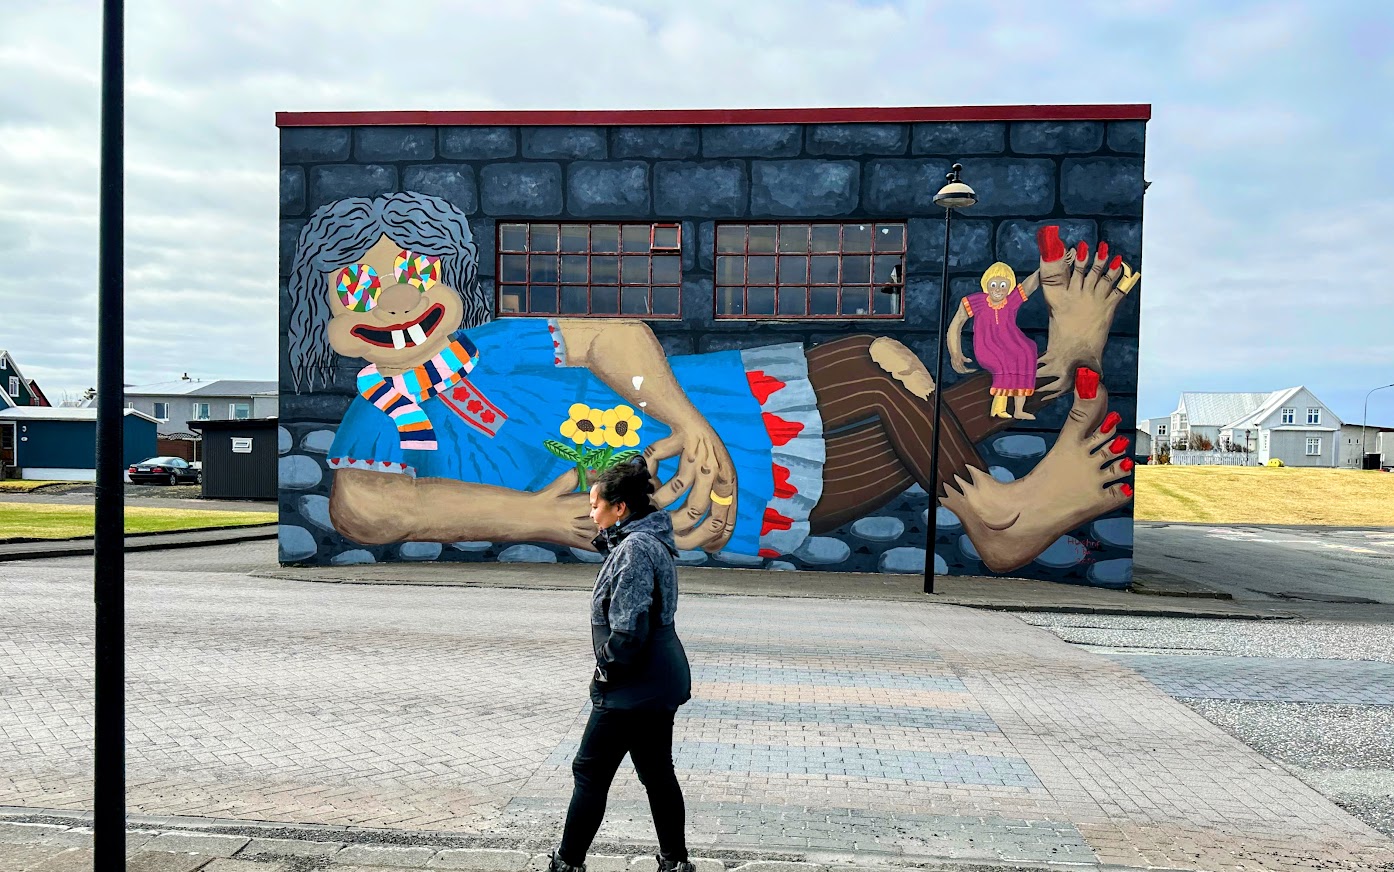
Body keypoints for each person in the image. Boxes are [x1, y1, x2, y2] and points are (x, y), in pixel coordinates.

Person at [549, 461, 694, 872]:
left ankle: (567, 864)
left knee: (589, 771)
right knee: (656, 772)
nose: (591, 512)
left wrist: (605, 675)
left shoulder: (635, 548)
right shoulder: (648, 541)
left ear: (619, 508)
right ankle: (675, 863)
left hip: (633, 682)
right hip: (656, 676)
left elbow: (629, 627)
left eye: (596, 505)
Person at [946, 261, 1042, 420]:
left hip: (1012, 342)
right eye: (994, 284)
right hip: (987, 346)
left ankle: (1019, 409)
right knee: (1003, 362)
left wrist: (1050, 263)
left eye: (1003, 285)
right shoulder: (976, 301)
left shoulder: (1011, 301)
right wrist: (955, 353)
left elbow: (1030, 284)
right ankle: (998, 408)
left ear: (1009, 287)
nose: (998, 289)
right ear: (986, 284)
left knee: (1026, 353)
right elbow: (956, 325)